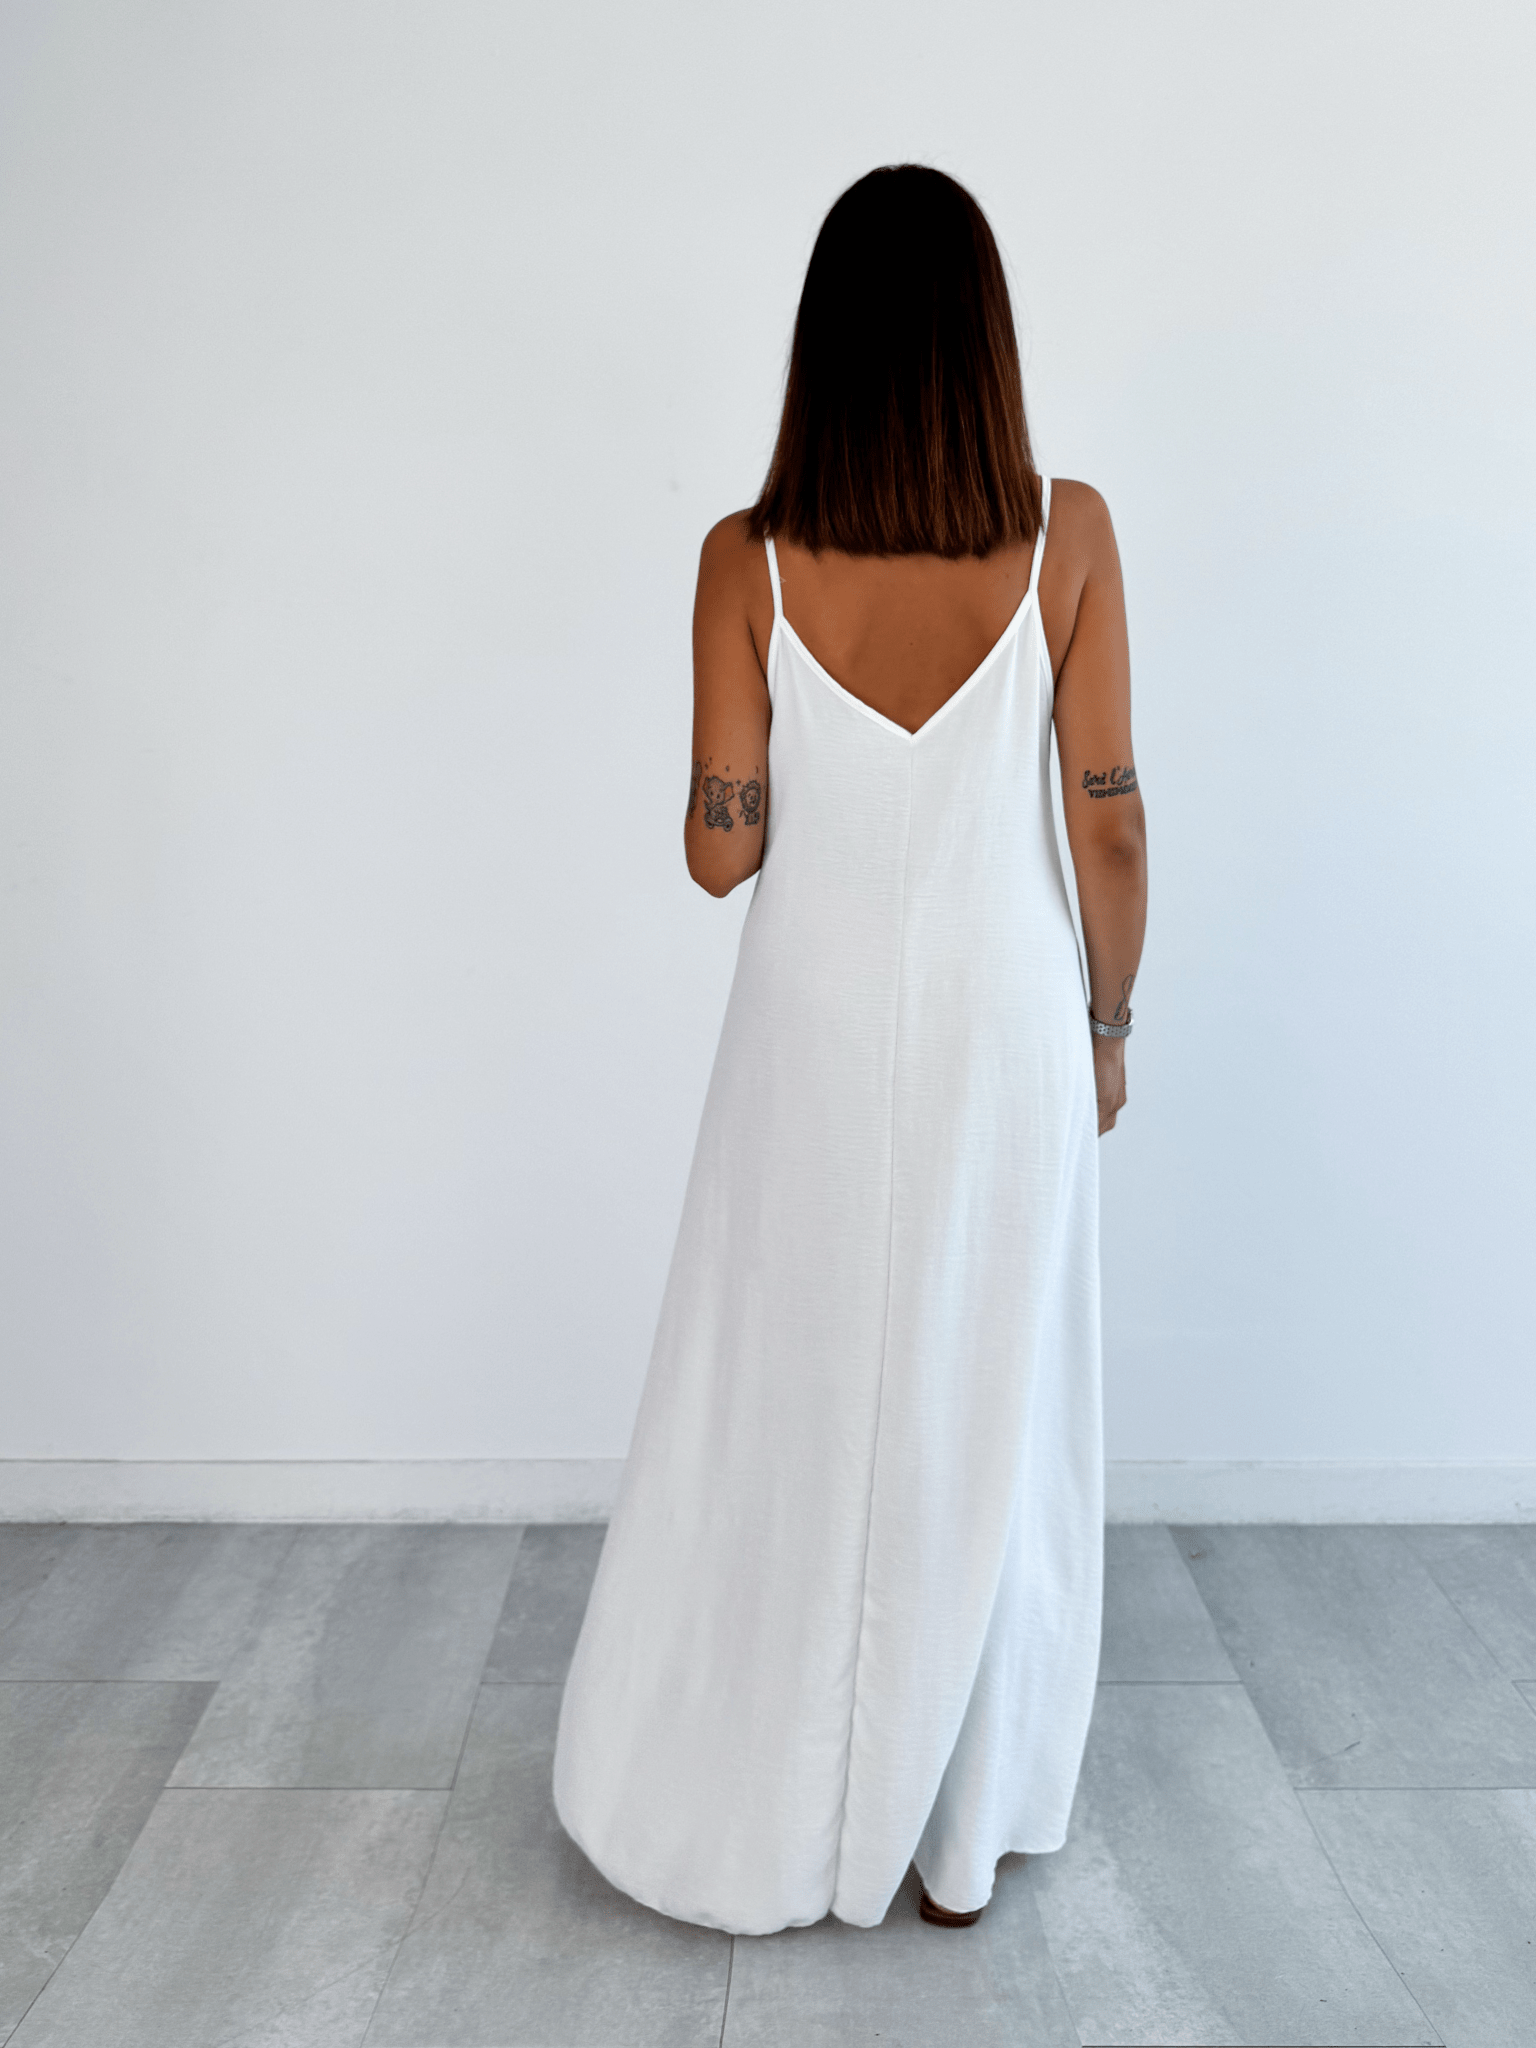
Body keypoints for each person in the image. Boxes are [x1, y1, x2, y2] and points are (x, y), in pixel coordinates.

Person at [553, 163, 1147, 1936]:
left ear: (824, 348)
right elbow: (1110, 825)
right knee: (991, 1387)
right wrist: (1112, 1025)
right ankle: (958, 1837)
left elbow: (718, 850)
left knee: (787, 1386)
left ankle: (765, 1796)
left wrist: (752, 749)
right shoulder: (1071, 536)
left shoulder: (743, 560)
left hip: (808, 1028)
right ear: (983, 341)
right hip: (1007, 1017)